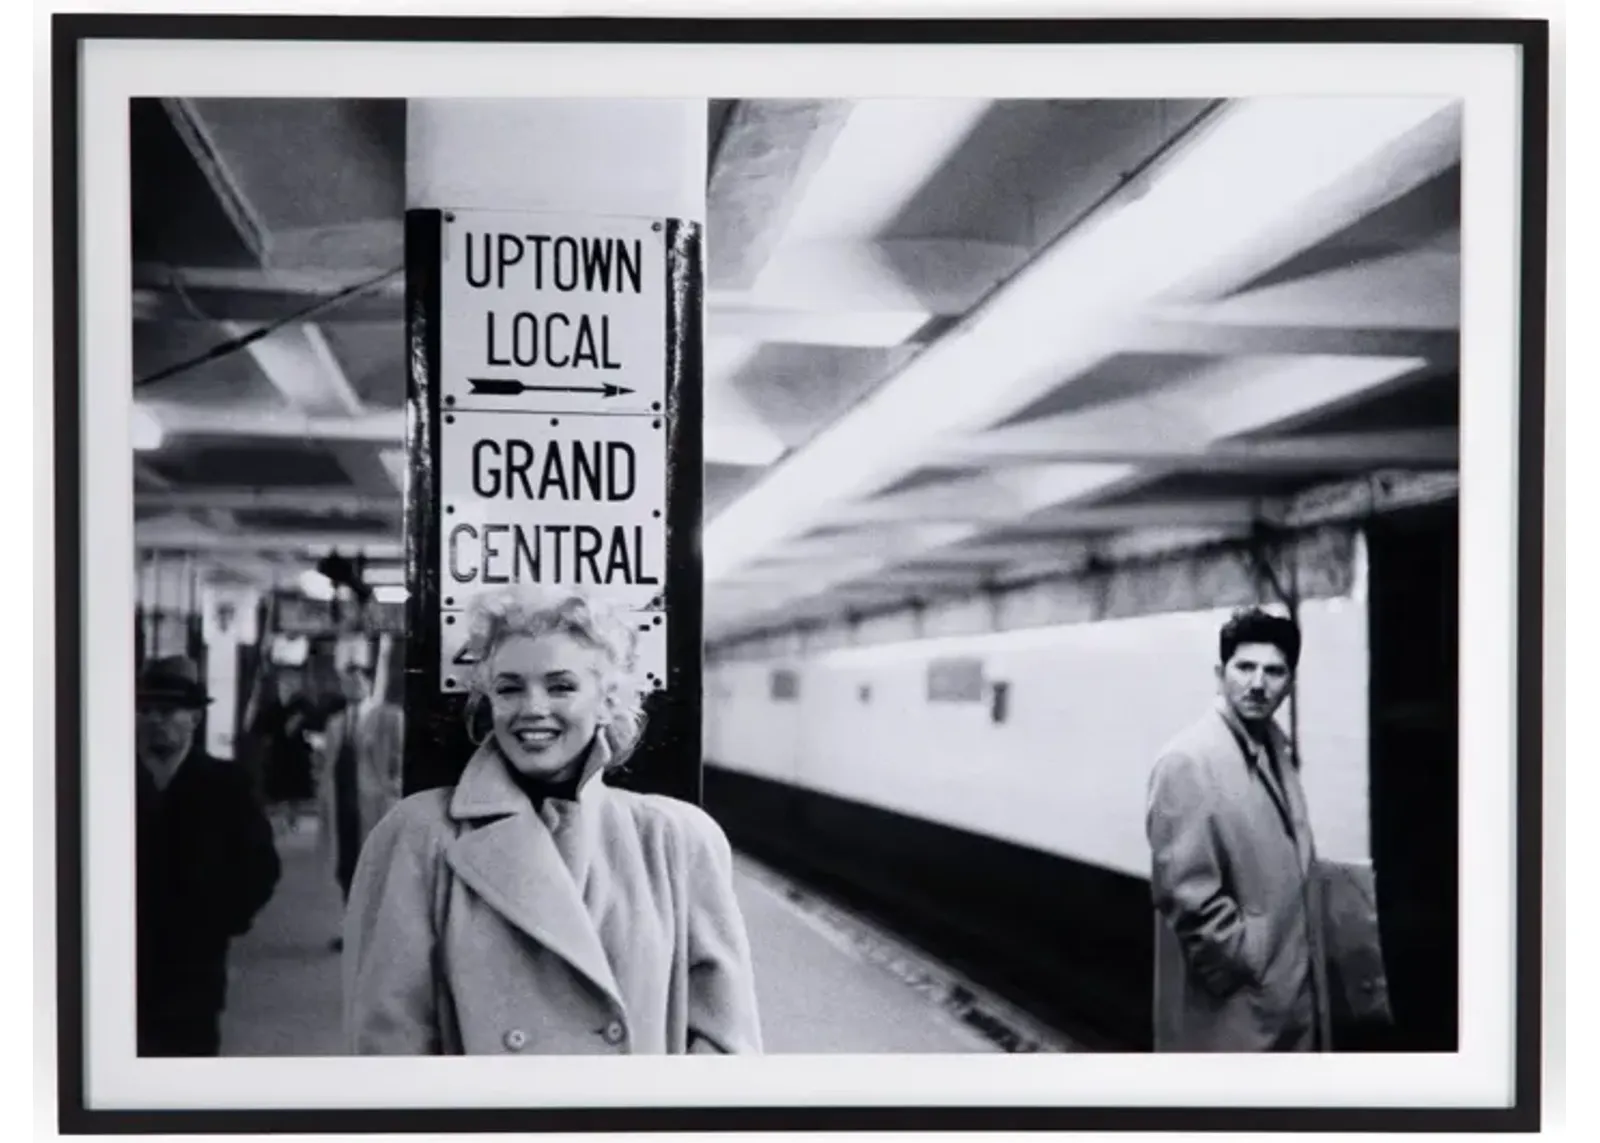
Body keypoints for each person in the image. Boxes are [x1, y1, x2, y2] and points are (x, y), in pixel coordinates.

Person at [342, 588, 763, 1055]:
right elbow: (388, 1044)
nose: (533, 708)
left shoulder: (676, 840)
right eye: (509, 688)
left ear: (606, 701)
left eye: (561, 686)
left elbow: (726, 1049)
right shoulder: (420, 835)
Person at [1145, 607, 1332, 1052]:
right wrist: (1248, 965)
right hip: (1238, 1015)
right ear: (1220, 673)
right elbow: (1185, 893)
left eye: (1274, 671)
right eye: (1244, 667)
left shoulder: (1275, 749)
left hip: (1287, 1001)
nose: (1257, 683)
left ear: (1290, 684)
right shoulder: (1188, 761)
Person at [135, 655, 282, 1056]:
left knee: (187, 1060)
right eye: (145, 711)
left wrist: (222, 920)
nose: (154, 721)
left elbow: (261, 867)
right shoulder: (112, 780)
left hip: (194, 965)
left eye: (167, 711)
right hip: (119, 962)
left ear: (195, 719)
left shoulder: (224, 785)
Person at [316, 664, 376, 947]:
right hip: (341, 806)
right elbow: (328, 765)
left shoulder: (387, 719)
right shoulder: (335, 723)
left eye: (358, 681)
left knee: (372, 868)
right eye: (347, 682)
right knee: (345, 868)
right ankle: (351, 929)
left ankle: (372, 932)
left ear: (369, 683)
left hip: (374, 807)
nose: (352, 687)